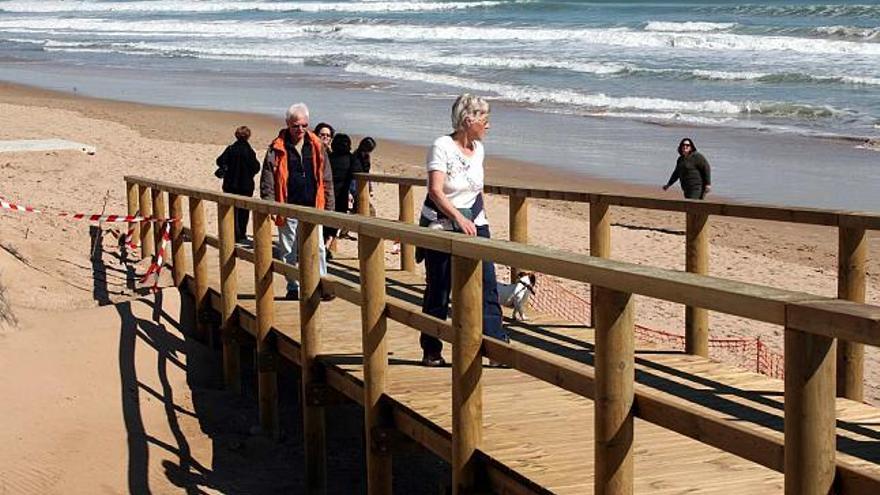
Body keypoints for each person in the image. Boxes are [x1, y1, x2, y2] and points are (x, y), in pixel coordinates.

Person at [417, 94, 509, 367]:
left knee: (488, 284)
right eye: (485, 119)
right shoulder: (441, 146)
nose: (488, 126)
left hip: (474, 221)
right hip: (442, 222)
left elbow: (476, 188)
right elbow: (435, 191)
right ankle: (431, 349)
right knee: (440, 288)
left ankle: (495, 346)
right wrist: (458, 218)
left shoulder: (479, 149)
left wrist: (479, 218)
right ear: (469, 120)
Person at [259, 103, 335, 301]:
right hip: (288, 205)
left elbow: (326, 177)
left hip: (313, 205)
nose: (300, 129)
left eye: (303, 125)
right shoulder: (276, 147)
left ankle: (320, 284)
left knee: (318, 247)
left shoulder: (317, 145)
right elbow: (267, 177)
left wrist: (329, 205)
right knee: (289, 249)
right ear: (287, 124)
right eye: (295, 126)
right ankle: (294, 287)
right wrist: (270, 203)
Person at [214, 125, 261, 243]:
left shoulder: (231, 149)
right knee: (244, 211)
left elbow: (219, 161)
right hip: (246, 186)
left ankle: (232, 232)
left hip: (230, 184)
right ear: (248, 136)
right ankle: (241, 234)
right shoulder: (249, 151)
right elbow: (256, 167)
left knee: (231, 210)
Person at [323, 133, 361, 253]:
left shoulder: (329, 157)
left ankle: (324, 246)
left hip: (326, 193)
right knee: (336, 222)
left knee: (324, 221)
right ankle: (326, 246)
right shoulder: (351, 158)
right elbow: (359, 171)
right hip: (341, 195)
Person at [351, 136, 377, 216]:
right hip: (354, 186)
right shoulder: (354, 157)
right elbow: (351, 175)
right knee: (366, 210)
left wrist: (370, 188)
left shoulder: (366, 158)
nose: (369, 152)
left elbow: (366, 173)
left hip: (363, 185)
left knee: (368, 210)